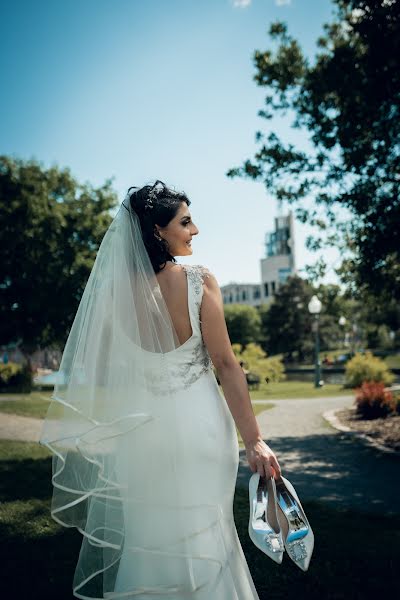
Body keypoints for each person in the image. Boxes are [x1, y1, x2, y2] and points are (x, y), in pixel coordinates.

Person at [39, 180, 281, 599]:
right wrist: (254, 441)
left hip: (143, 437)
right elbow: (226, 364)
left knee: (149, 538)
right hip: (200, 430)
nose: (195, 230)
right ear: (157, 231)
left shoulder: (113, 294)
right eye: (185, 222)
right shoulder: (199, 281)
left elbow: (108, 369)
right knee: (207, 533)